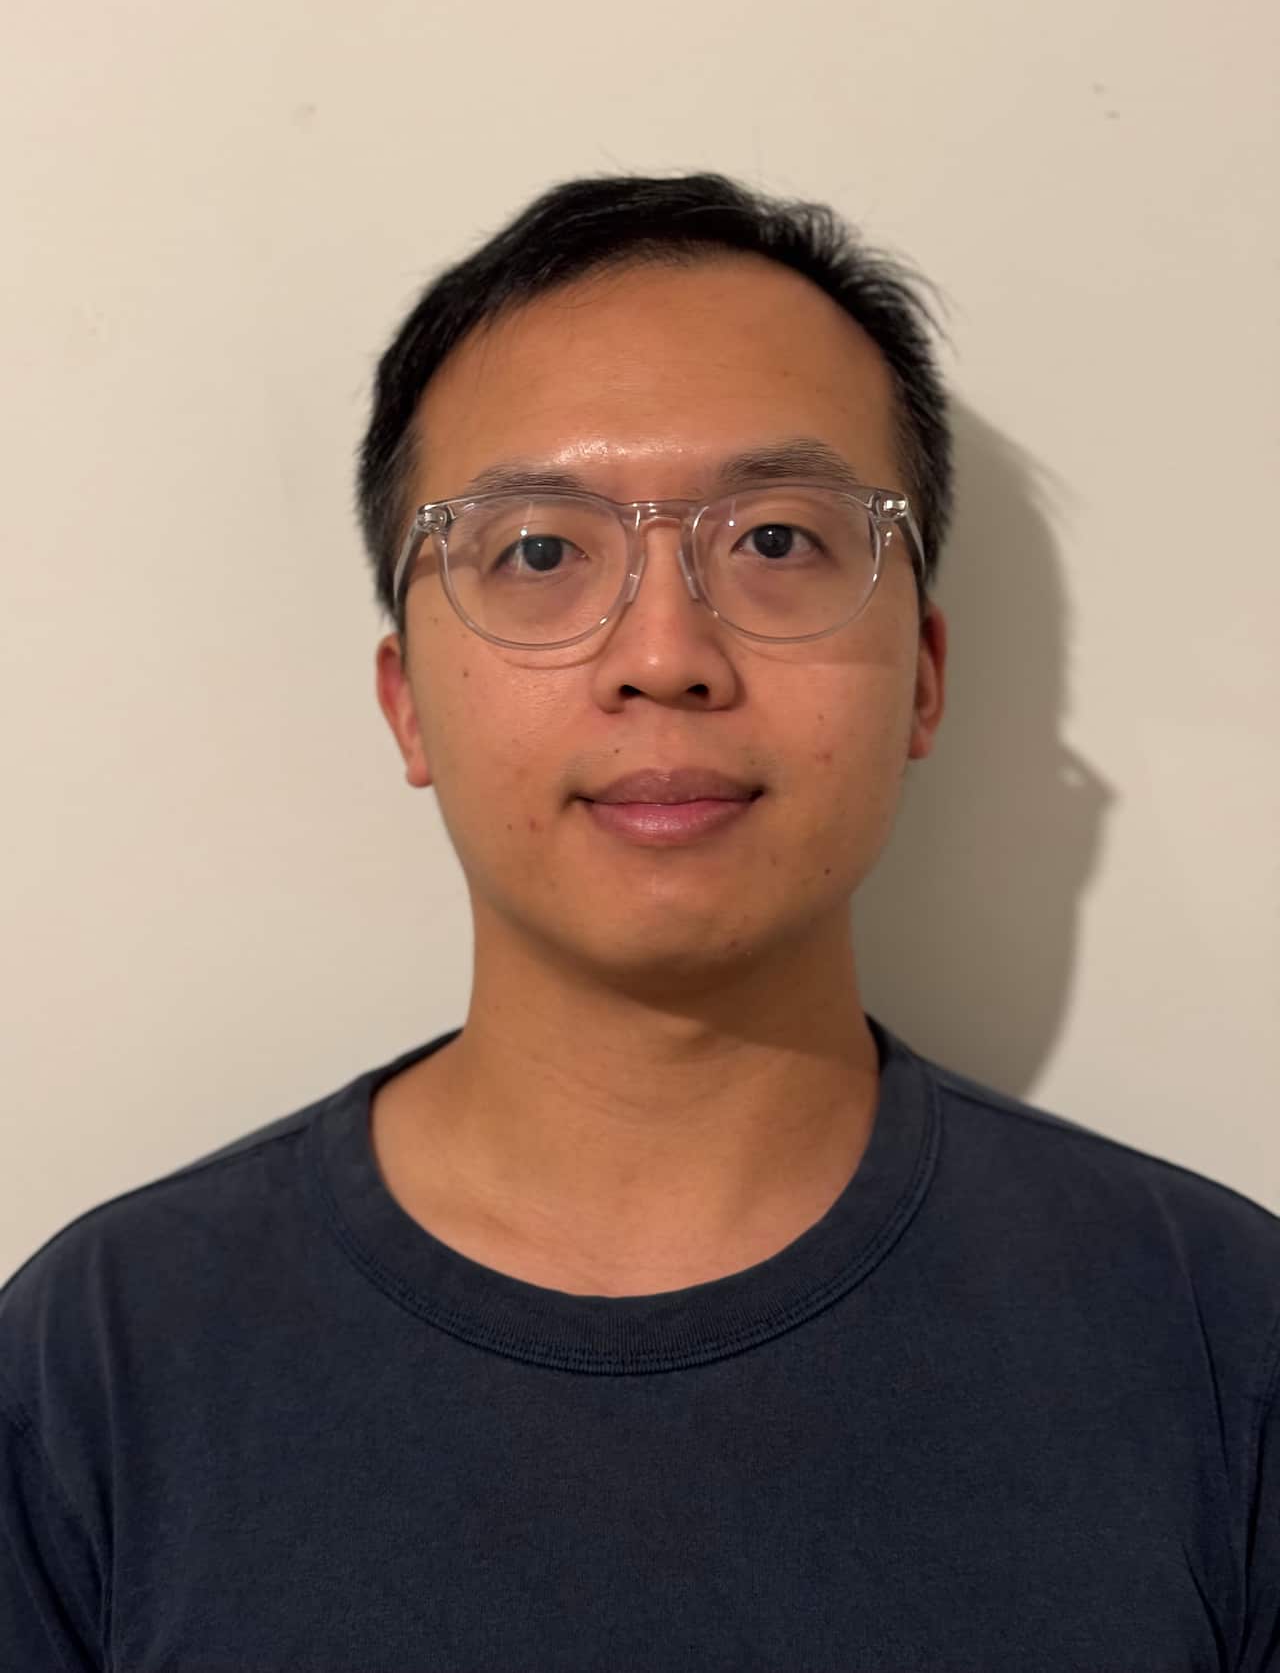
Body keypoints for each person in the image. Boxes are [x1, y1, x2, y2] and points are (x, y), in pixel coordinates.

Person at [2, 173, 1276, 1672]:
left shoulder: (1213, 1337)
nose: (663, 655)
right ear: (407, 700)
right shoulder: (102, 1360)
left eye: (781, 542)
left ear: (924, 678)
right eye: (539, 553)